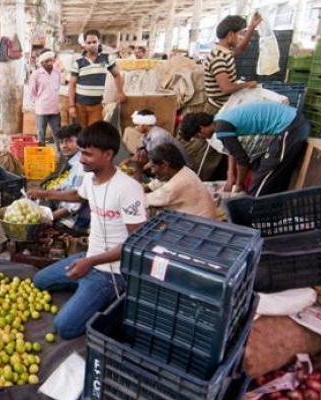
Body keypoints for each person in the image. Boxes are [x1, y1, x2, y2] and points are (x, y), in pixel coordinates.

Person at [29, 121, 147, 339]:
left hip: (110, 272)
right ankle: (85, 291)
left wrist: (90, 263)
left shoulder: (129, 189)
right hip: (88, 258)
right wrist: (45, 194)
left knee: (64, 327)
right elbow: (78, 194)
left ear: (108, 154)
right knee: (39, 281)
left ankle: (103, 295)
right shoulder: (91, 180)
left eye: (88, 154)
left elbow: (136, 244)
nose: (81, 159)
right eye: (81, 152)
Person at [180, 102, 310, 196]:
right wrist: (230, 175)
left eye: (198, 135)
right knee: (260, 167)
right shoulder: (221, 119)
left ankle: (252, 212)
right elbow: (231, 150)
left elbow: (242, 160)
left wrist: (238, 186)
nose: (202, 138)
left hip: (291, 127)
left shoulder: (222, 127)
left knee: (261, 180)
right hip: (292, 123)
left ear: (201, 128)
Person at [204, 14, 262, 115]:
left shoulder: (225, 52)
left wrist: (252, 26)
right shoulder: (218, 57)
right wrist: (247, 84)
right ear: (230, 35)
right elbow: (226, 88)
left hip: (224, 106)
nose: (241, 37)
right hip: (216, 110)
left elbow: (240, 49)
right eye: (240, 34)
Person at [68, 29, 127, 128]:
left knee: (94, 133)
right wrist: (71, 106)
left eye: (94, 42)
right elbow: (72, 85)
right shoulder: (78, 62)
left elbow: (117, 75)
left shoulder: (107, 58)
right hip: (80, 105)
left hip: (97, 106)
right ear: (84, 44)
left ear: (99, 43)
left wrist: (120, 91)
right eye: (89, 42)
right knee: (81, 133)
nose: (92, 45)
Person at [146, 144, 217, 219]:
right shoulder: (184, 170)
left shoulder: (174, 186)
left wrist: (138, 170)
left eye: (153, 167)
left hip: (199, 226)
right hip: (204, 220)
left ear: (164, 165)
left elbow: (143, 200)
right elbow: (154, 185)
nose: (152, 171)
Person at [40, 124, 90, 232]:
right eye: (61, 142)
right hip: (66, 204)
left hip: (76, 219)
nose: (63, 146)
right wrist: (54, 190)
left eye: (68, 141)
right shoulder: (74, 162)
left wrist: (50, 217)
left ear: (80, 141)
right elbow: (67, 183)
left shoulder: (82, 166)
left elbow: (74, 205)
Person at [125, 109, 190, 166]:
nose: (135, 128)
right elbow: (144, 151)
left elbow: (156, 160)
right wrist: (130, 160)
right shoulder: (147, 135)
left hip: (180, 167)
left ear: (143, 125)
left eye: (136, 125)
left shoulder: (157, 136)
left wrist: (139, 169)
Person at [29, 49, 61, 146]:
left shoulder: (57, 73)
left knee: (58, 134)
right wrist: (39, 102)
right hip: (42, 109)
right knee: (41, 134)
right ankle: (41, 156)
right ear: (42, 62)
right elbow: (32, 92)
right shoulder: (36, 74)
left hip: (55, 109)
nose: (50, 63)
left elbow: (57, 87)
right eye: (47, 61)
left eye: (51, 60)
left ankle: (61, 156)